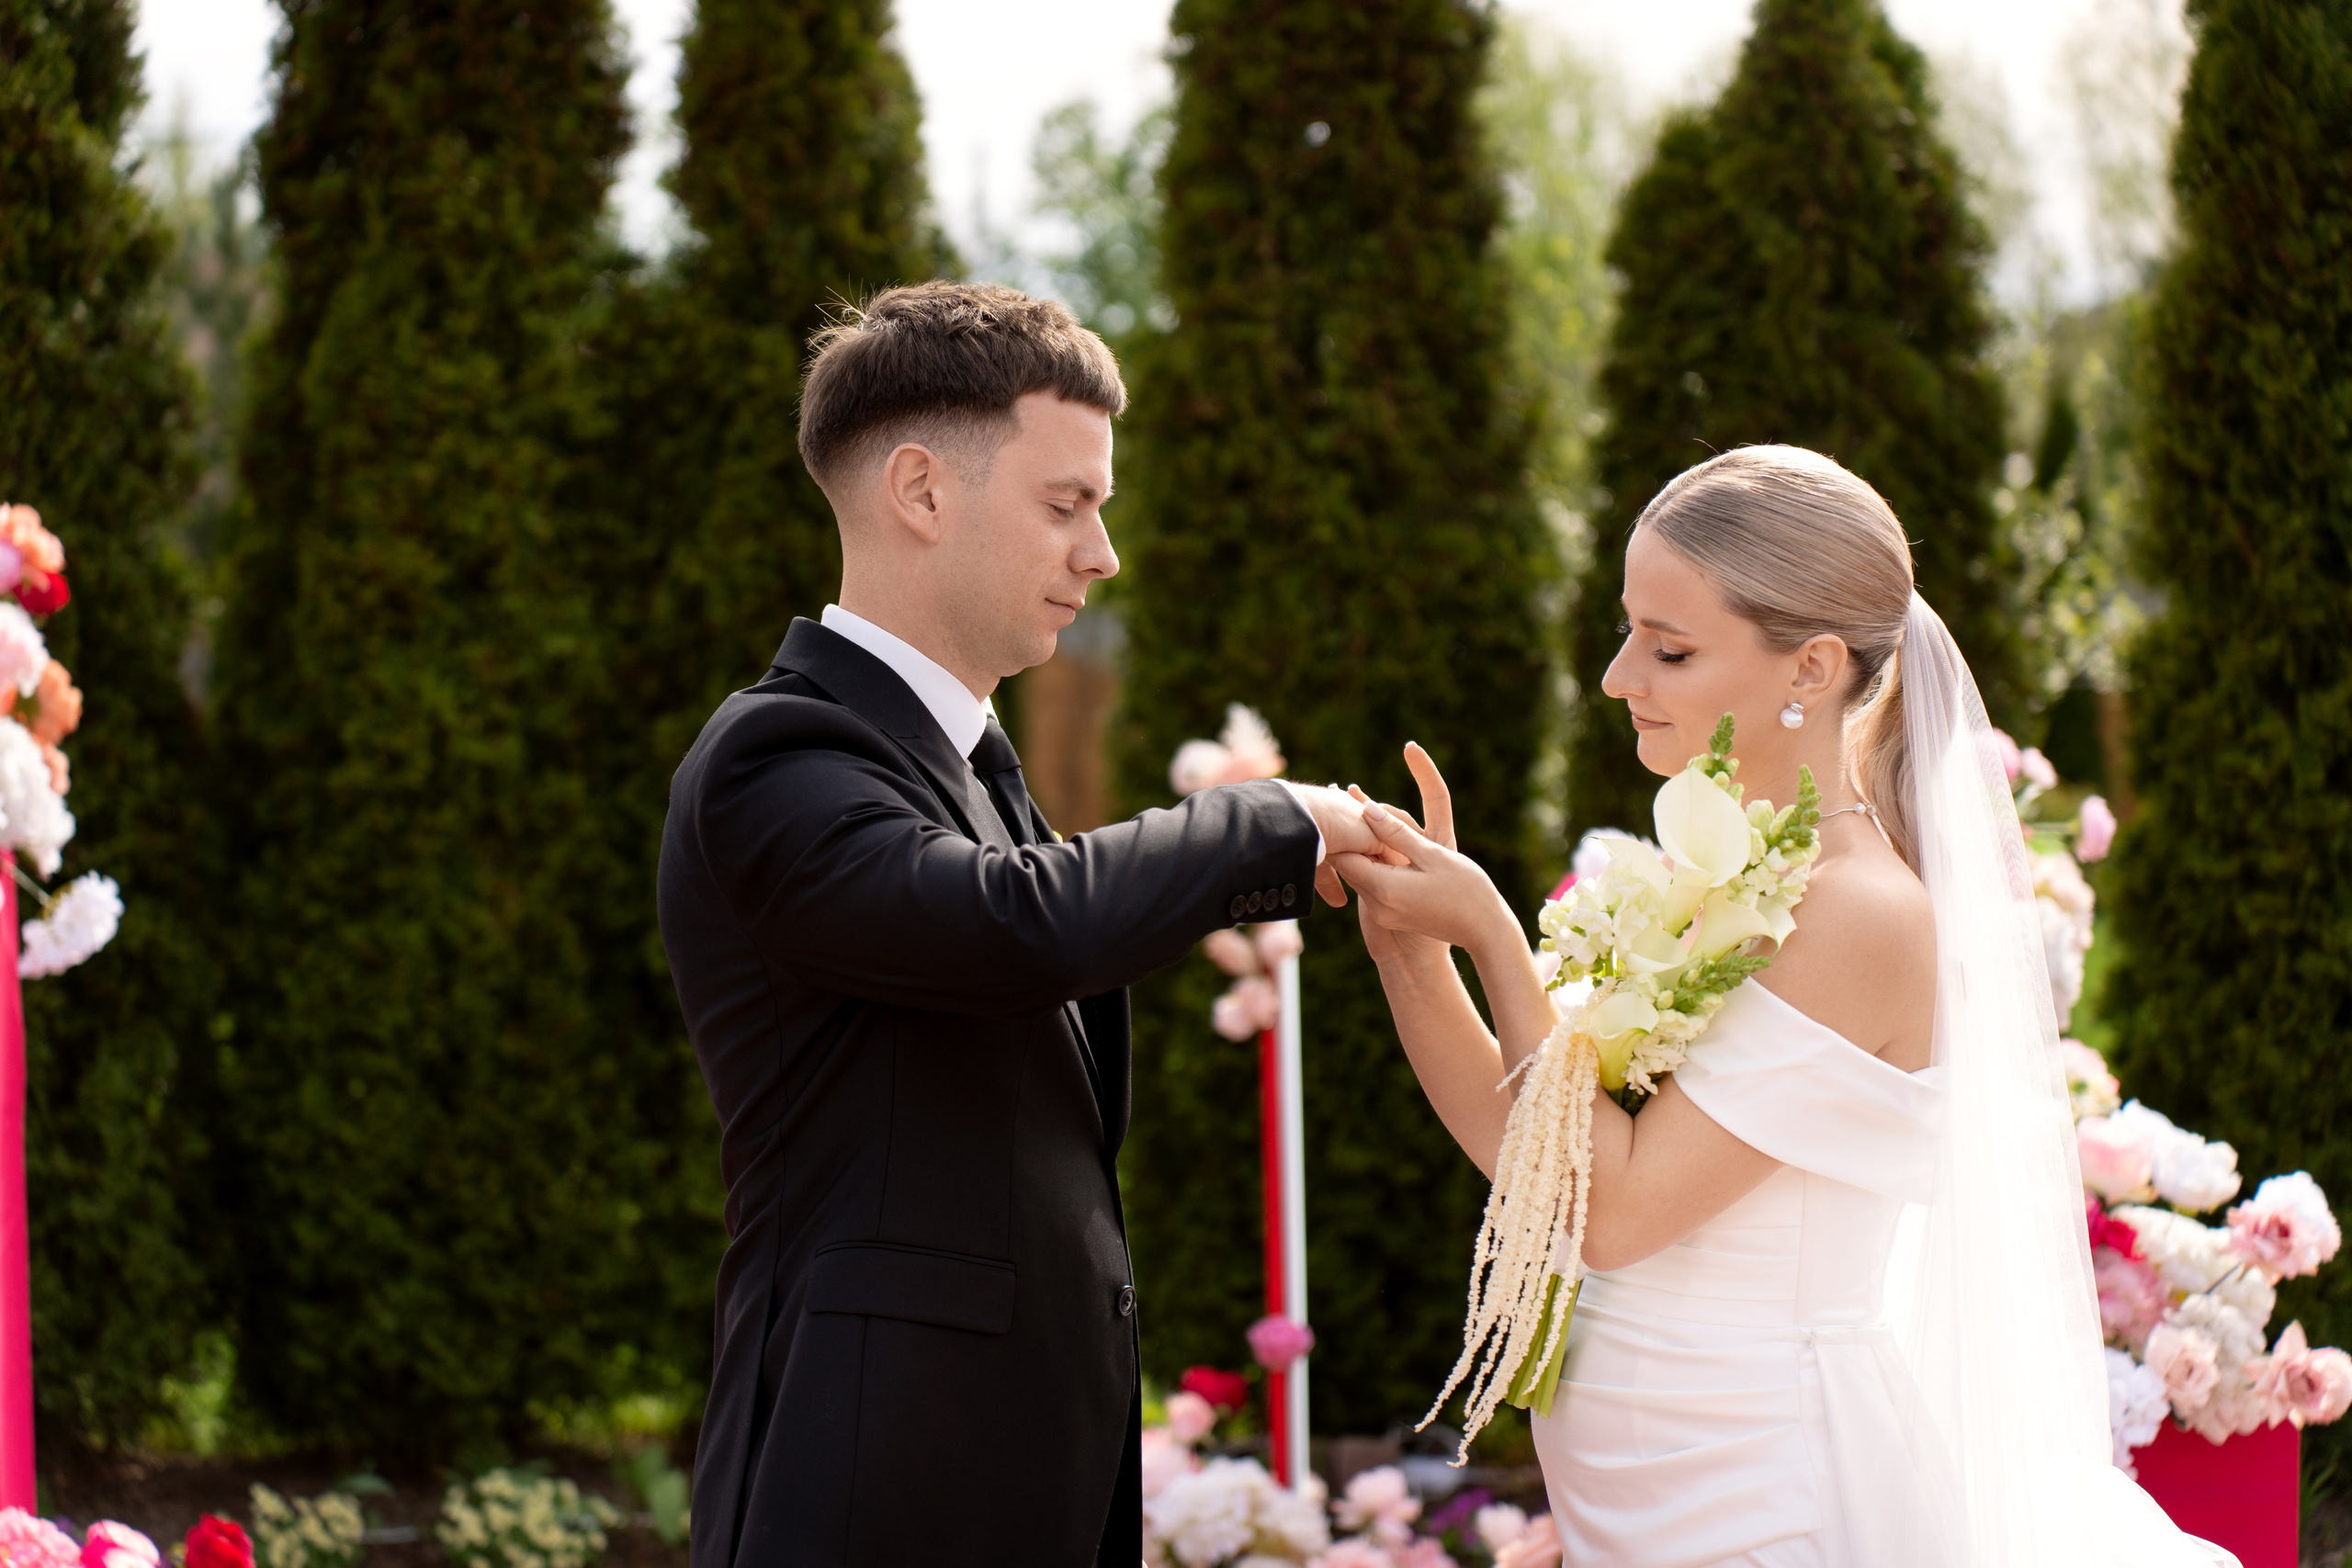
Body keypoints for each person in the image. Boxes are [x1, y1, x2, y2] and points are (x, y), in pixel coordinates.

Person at [1333, 446, 2235, 1566]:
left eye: (1668, 648)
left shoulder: (1858, 913)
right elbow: (1535, 1160)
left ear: (1809, 668)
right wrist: (1410, 951)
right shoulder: (1710, 874)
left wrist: (1493, 937)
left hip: (1762, 1490)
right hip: (1644, 1491)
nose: (1619, 677)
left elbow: (1612, 1215)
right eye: (1628, 633)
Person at [657, 282, 1378, 1568]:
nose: (1102, 554)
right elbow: (1011, 925)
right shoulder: (779, 753)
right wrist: (1278, 820)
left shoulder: (973, 767)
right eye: (1067, 505)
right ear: (924, 493)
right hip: (870, 1494)